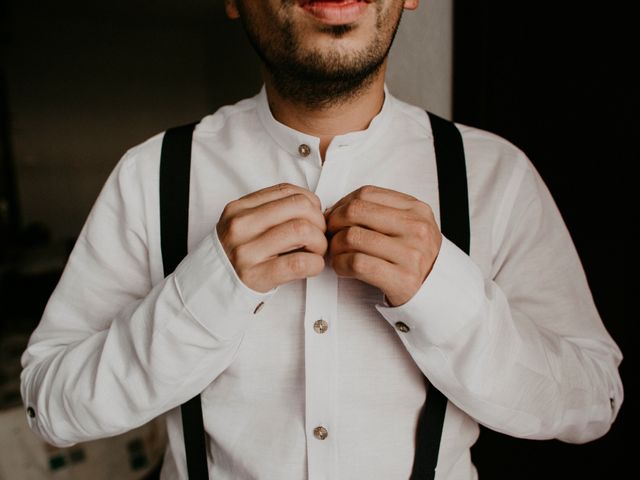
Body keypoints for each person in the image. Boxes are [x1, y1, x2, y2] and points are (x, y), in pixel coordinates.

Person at [20, 1, 623, 479]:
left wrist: (445, 293)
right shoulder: (150, 175)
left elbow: (593, 403)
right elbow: (50, 405)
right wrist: (205, 292)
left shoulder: (496, 174)